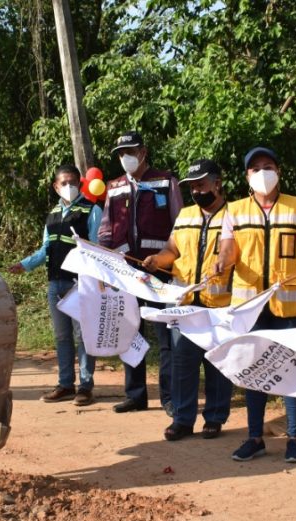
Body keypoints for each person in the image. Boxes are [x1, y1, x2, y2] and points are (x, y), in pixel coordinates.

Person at [216, 146, 296, 463]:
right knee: (254, 371)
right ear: (246, 176)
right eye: (255, 168)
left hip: (291, 306)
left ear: (279, 171)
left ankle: (294, 438)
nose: (263, 172)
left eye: (268, 166)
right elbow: (228, 250)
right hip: (251, 307)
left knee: (292, 371)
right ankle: (254, 437)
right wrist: (222, 262)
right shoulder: (235, 210)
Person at [142, 159, 234, 441]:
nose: (196, 191)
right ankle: (182, 419)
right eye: (192, 187)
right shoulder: (185, 215)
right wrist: (158, 260)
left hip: (220, 304)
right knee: (183, 362)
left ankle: (215, 418)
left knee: (217, 363)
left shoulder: (235, 215)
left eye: (201, 185)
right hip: (184, 304)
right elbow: (172, 250)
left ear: (217, 183)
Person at [99, 131, 183, 415]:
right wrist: (104, 264)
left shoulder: (166, 181)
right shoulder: (114, 187)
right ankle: (135, 395)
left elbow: (179, 226)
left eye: (130, 152)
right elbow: (106, 230)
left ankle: (170, 397)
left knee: (165, 335)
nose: (126, 158)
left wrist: (164, 259)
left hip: (159, 271)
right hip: (126, 272)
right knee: (130, 333)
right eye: (121, 154)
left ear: (143, 152)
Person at [10, 164, 102, 406]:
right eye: (64, 183)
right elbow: (46, 249)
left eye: (73, 182)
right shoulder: (52, 215)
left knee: (83, 336)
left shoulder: (92, 210)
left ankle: (85, 387)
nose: (69, 186)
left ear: (80, 184)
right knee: (62, 337)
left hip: (80, 283)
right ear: (55, 186)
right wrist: (25, 264)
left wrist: (97, 281)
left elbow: (96, 247)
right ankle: (65, 384)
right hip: (55, 283)